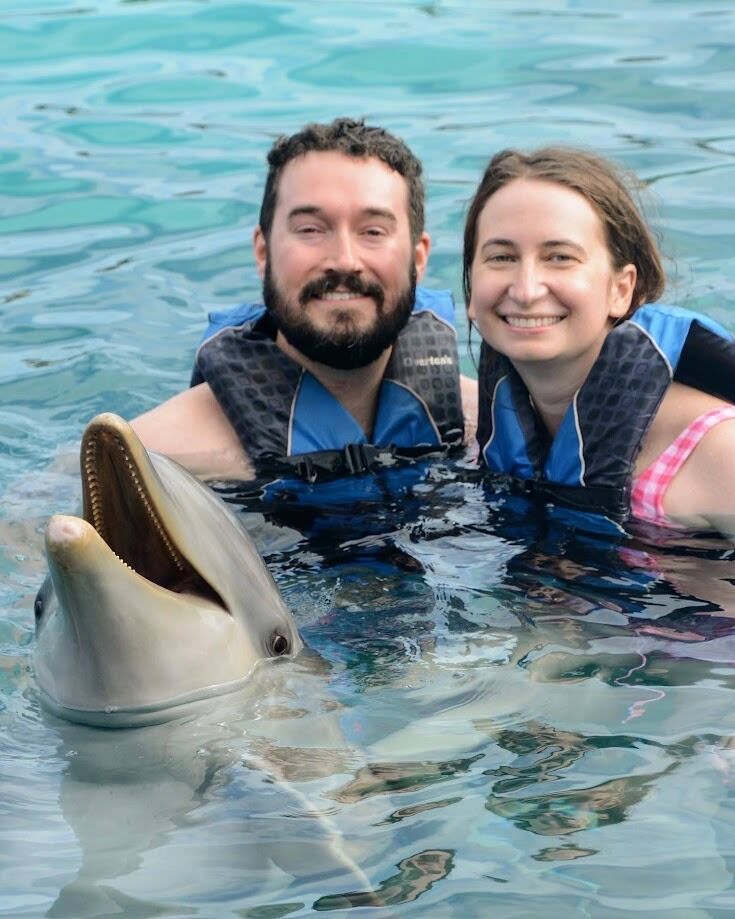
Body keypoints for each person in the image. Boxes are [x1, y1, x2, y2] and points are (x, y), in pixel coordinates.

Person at [133, 118, 476, 481]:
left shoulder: (483, 430)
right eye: (310, 230)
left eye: (373, 231)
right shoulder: (150, 461)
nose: (344, 260)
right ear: (263, 252)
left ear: (418, 258)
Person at [463, 146, 735, 535]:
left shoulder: (719, 455)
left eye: (560, 257)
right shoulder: (475, 427)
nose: (525, 290)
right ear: (472, 286)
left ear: (621, 290)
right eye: (502, 257)